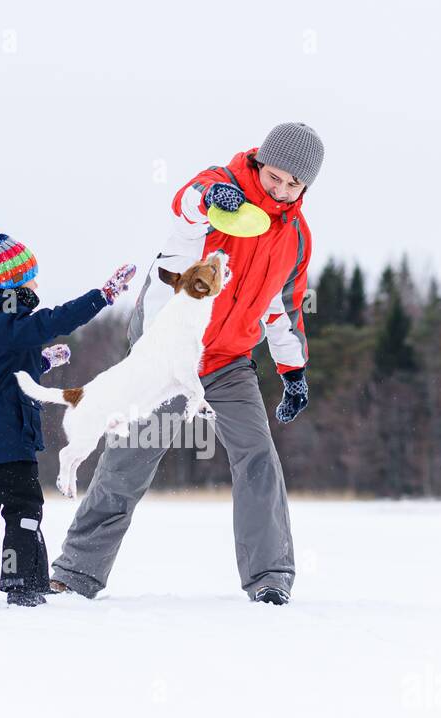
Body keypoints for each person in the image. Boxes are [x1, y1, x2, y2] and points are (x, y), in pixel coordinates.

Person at [51, 122, 323, 605]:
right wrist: (213, 198)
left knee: (257, 456)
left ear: (306, 186)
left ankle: (270, 578)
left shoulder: (297, 237)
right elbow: (186, 206)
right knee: (131, 454)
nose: (281, 190)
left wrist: (293, 370)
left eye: (293, 184)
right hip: (166, 349)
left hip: (228, 360)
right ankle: (76, 571)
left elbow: (283, 306)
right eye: (274, 177)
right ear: (260, 161)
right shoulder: (220, 192)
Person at [0, 219, 135, 607]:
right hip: (4, 440)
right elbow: (54, 320)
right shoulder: (9, 321)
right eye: (31, 278)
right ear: (11, 285)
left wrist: (40, 361)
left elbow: (2, 369)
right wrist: (102, 296)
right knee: (24, 508)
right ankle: (22, 584)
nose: (37, 286)